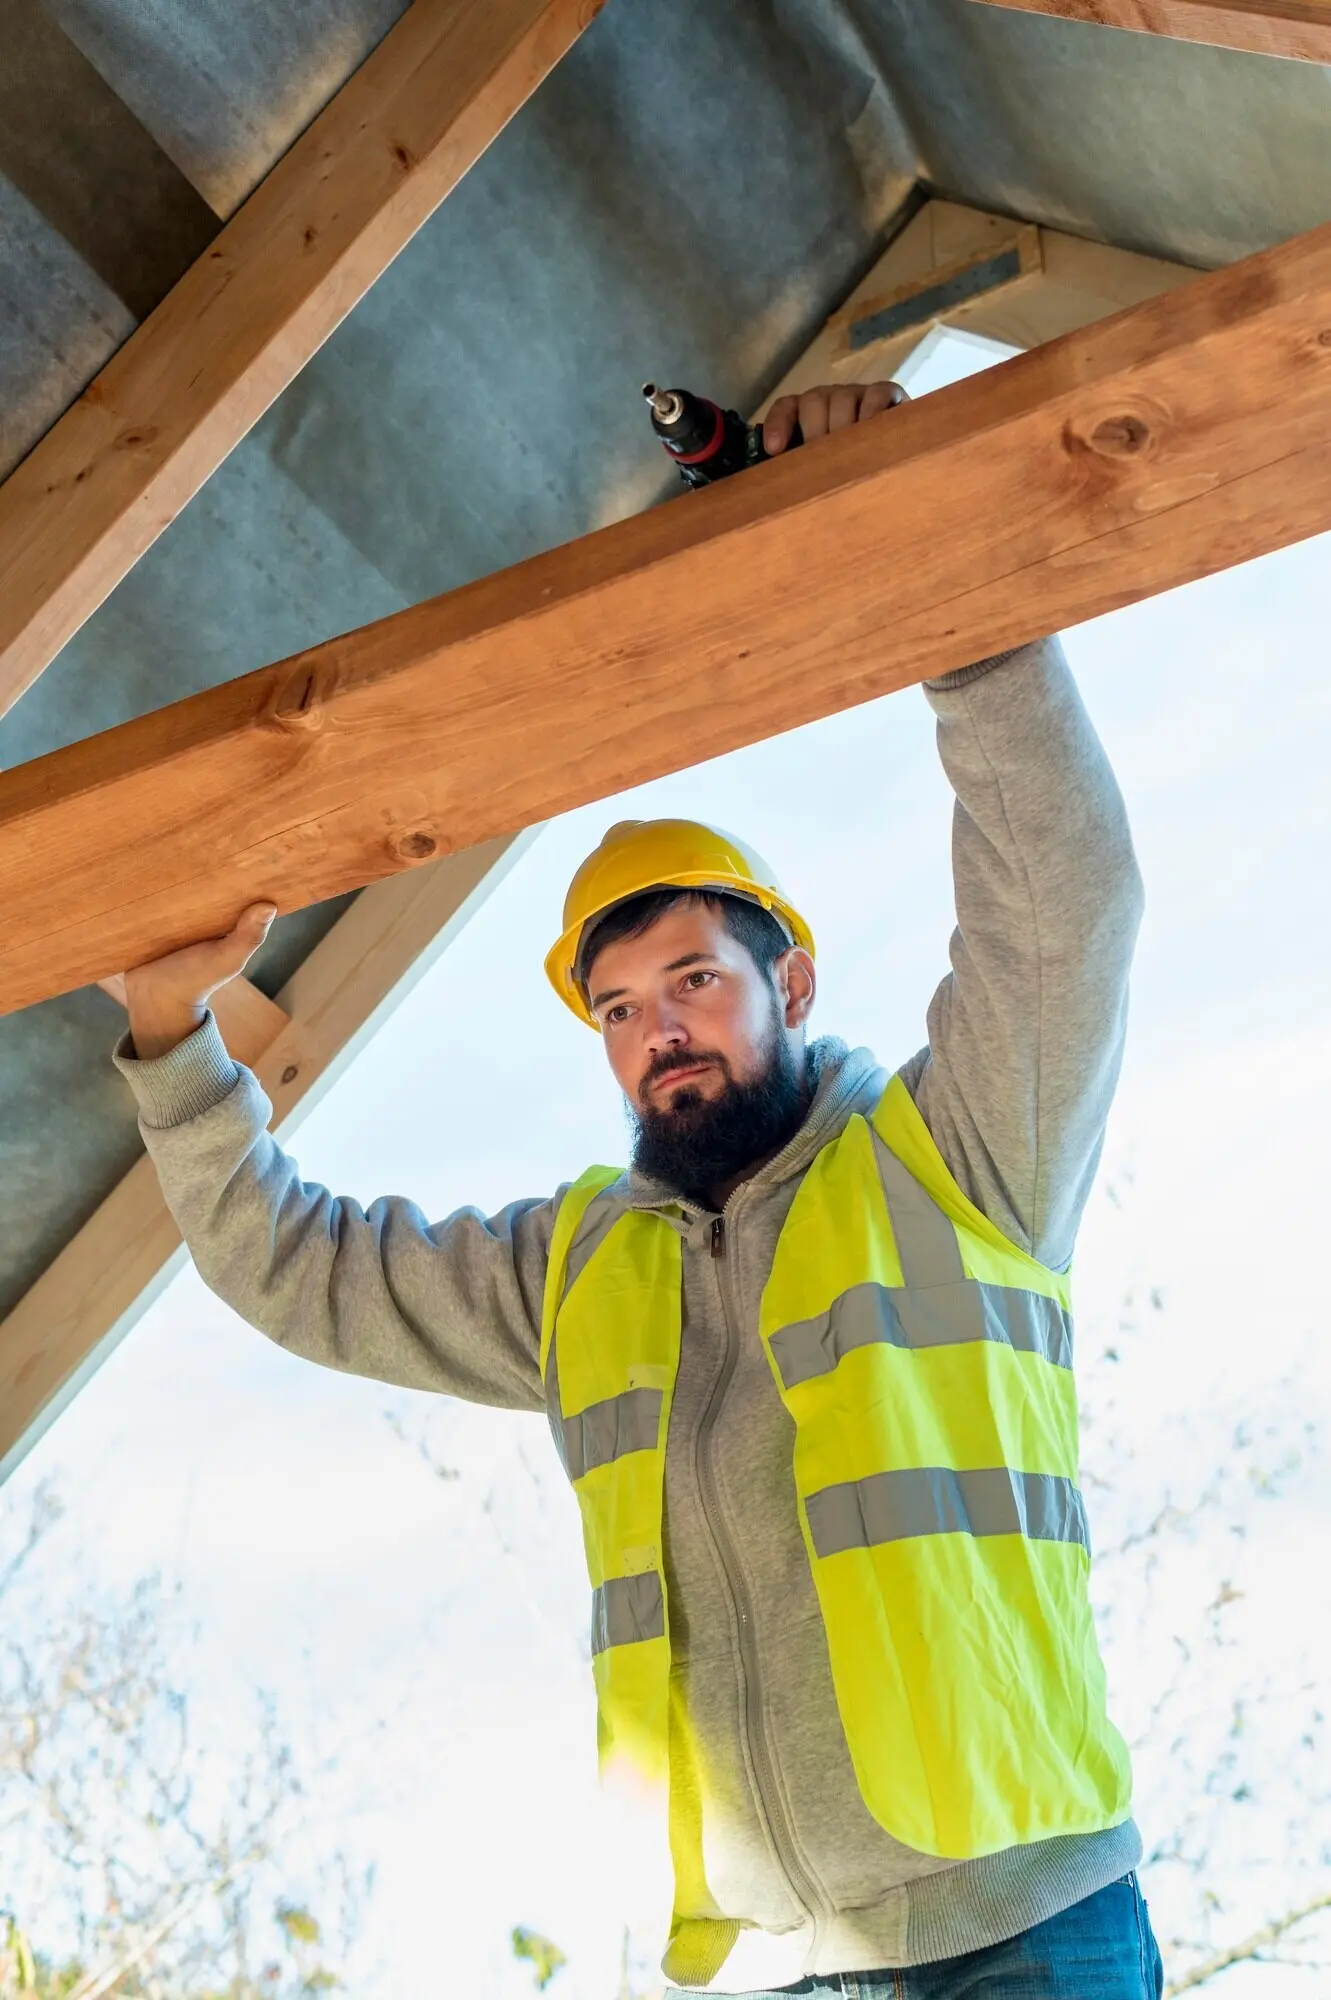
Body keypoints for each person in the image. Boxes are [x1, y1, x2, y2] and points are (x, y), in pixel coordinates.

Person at [114, 383, 1159, 1999]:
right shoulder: (575, 1276)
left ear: (788, 981)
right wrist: (172, 1034)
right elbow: (294, 1265)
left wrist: (955, 602)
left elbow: (1061, 909)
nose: (656, 1029)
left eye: (692, 980)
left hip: (1022, 1929)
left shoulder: (955, 1162)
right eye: (617, 1006)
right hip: (769, 1960)